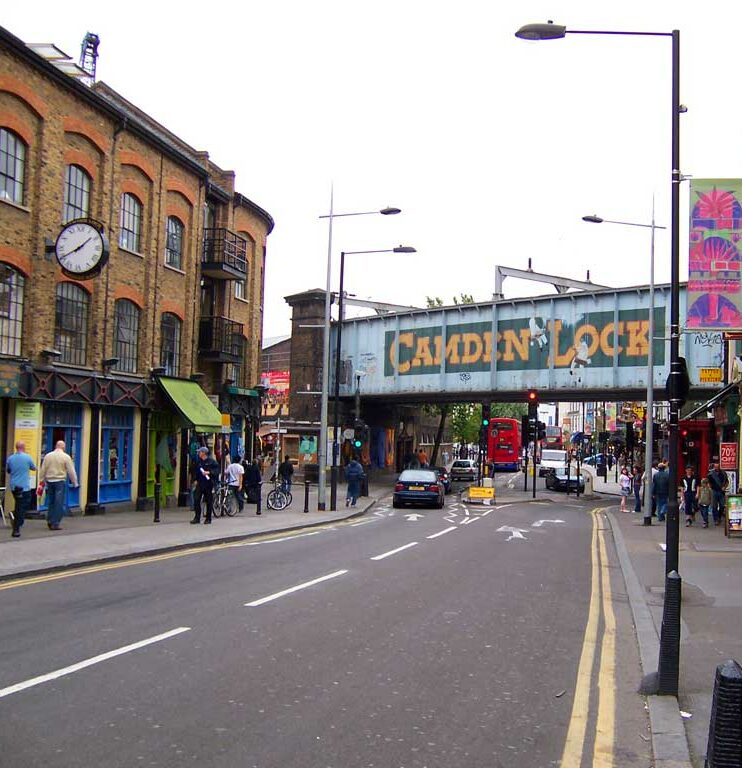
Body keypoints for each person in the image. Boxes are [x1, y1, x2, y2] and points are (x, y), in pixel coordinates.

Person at [38, 440, 78, 531]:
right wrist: (75, 482)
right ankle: (55, 522)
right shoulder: (66, 457)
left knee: (51, 501)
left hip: (50, 481)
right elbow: (71, 471)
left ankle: (50, 519)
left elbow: (43, 469)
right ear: (63, 447)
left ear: (56, 446)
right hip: (60, 481)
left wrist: (41, 480)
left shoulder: (48, 456)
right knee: (58, 502)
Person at [6, 440, 36, 538]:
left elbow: (8, 470)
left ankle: (16, 519)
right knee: (23, 505)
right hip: (24, 486)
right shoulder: (27, 457)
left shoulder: (10, 458)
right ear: (23, 447)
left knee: (19, 504)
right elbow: (33, 468)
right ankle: (16, 528)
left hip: (14, 485)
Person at [190, 446, 219, 524]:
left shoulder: (212, 462)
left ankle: (208, 518)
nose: (198, 453)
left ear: (204, 453)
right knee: (196, 499)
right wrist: (195, 480)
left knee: (208, 501)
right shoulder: (199, 462)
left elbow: (216, 471)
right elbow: (195, 472)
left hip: (208, 484)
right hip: (200, 483)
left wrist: (209, 472)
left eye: (199, 452)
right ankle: (197, 517)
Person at [708, 461, 729, 526]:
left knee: (722, 505)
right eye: (715, 466)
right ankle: (716, 519)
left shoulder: (723, 473)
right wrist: (710, 489)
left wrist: (725, 487)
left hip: (721, 491)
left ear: (720, 466)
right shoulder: (711, 474)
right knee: (714, 506)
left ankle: (719, 517)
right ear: (714, 467)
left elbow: (727, 482)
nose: (717, 468)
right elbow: (708, 483)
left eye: (718, 466)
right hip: (714, 491)